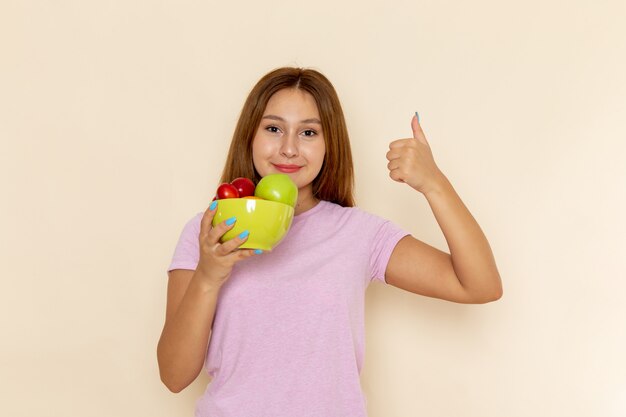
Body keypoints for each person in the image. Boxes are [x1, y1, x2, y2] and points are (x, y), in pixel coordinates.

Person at [157, 67, 502, 417]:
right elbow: (173, 376)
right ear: (250, 135)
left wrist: (434, 183)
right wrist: (208, 275)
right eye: (273, 128)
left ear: (328, 144)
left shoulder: (359, 234)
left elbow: (480, 285)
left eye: (308, 132)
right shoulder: (211, 231)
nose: (289, 149)